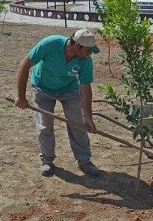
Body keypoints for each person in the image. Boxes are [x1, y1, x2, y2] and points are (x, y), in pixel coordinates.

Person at [14, 28, 101, 177]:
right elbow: (24, 65)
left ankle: (84, 161)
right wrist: (20, 96)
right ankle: (47, 161)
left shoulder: (85, 60)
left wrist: (88, 117)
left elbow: (85, 88)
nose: (90, 53)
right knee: (44, 125)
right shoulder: (50, 44)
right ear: (76, 46)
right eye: (88, 50)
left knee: (77, 124)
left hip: (69, 89)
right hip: (42, 88)